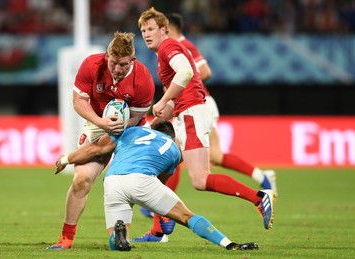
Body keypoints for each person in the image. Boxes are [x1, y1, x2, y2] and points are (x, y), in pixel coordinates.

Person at [133, 7, 275, 242]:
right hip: (187, 113)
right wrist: (153, 122)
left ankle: (259, 198)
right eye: (143, 30)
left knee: (200, 179)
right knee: (162, 167)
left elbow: (187, 72)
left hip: (191, 116)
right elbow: (174, 98)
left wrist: (164, 99)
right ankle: (160, 227)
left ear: (164, 30)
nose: (146, 34)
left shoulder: (169, 46)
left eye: (150, 29)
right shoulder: (164, 54)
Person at [54, 121, 261, 252]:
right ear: (172, 136)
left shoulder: (131, 132)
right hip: (143, 181)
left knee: (117, 241)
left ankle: (118, 238)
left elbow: (96, 149)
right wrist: (156, 207)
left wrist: (66, 159)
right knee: (187, 217)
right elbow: (161, 182)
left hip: (113, 180)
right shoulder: (173, 148)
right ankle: (230, 245)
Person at [47, 31, 155, 250]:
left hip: (131, 128)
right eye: (113, 63)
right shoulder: (91, 65)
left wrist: (68, 158)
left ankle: (144, 229)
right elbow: (78, 101)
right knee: (81, 181)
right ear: (107, 55)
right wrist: (99, 121)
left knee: (125, 183)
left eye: (123, 65)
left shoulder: (143, 80)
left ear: (132, 60)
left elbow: (121, 130)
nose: (117, 69)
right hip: (98, 122)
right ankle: (66, 238)